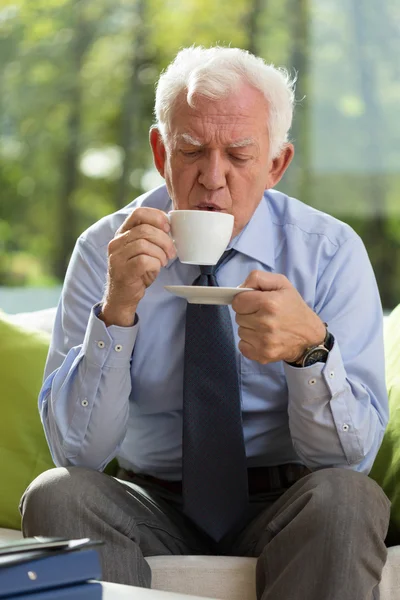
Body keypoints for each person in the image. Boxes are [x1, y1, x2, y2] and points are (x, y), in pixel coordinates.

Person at [20, 46, 390, 600]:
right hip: (150, 504)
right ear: (159, 151)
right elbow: (78, 455)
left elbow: (348, 463)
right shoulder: (105, 248)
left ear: (276, 164)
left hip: (289, 503)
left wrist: (309, 353)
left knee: (348, 498)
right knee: (58, 492)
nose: (212, 179)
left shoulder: (330, 252)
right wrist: (117, 313)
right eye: (190, 150)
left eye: (239, 155)